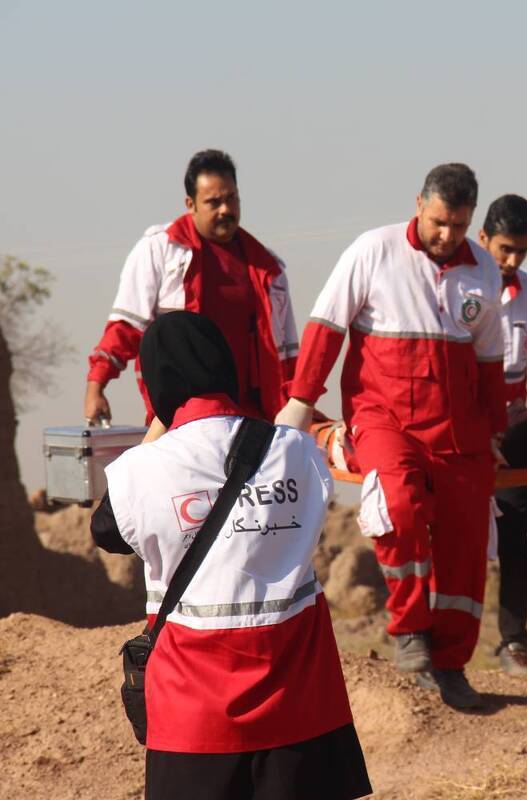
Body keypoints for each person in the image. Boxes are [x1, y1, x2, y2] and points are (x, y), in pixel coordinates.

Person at [90, 311, 371, 800]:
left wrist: (160, 421)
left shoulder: (143, 469)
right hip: (300, 699)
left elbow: (106, 530)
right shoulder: (295, 450)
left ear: (158, 380)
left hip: (194, 711)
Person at [276, 163, 507, 710]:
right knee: (397, 506)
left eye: (457, 225)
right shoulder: (372, 251)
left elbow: (491, 363)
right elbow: (326, 326)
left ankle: (451, 665)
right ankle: (409, 630)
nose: (446, 236)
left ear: (471, 221)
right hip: (385, 419)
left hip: (460, 433)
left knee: (466, 545)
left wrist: (495, 431)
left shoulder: (484, 273)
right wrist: (299, 402)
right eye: (437, 222)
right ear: (418, 205)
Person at [84, 149, 299, 428]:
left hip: (252, 420)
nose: (225, 209)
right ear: (191, 203)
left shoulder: (268, 268)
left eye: (231, 198)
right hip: (180, 417)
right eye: (214, 202)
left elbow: (288, 358)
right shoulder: (159, 250)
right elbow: (126, 328)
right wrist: (96, 385)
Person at [476, 194, 527, 677]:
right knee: (451, 542)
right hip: (460, 429)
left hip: (513, 430)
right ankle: (436, 645)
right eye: (504, 249)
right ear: (482, 239)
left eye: (522, 251)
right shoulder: (454, 286)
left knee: (516, 540)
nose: (512, 260)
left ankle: (514, 644)